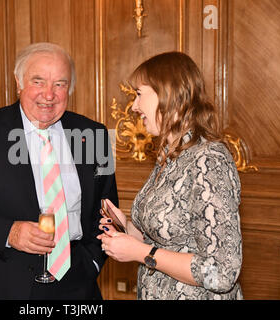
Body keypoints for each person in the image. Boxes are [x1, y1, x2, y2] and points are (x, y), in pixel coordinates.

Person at [0, 42, 118, 299]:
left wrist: (92, 262)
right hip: (0, 282)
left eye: (60, 84)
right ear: (19, 83)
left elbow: (107, 211)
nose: (49, 94)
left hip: (76, 284)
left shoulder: (94, 134)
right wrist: (9, 232)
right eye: (38, 81)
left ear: (70, 88)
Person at [98, 52, 243, 300]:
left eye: (139, 94)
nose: (133, 106)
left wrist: (141, 253)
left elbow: (221, 272)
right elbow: (169, 239)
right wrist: (128, 230)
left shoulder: (208, 160)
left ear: (167, 94)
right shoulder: (171, 156)